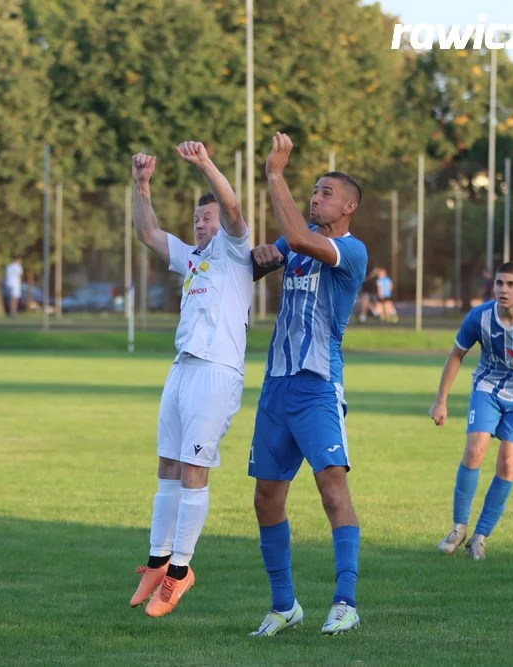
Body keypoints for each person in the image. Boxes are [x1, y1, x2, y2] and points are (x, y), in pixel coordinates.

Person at [248, 133, 368, 637]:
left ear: (348, 206)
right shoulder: (293, 246)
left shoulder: (349, 250)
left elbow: (297, 239)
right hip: (276, 386)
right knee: (266, 498)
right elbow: (261, 258)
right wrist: (243, 249)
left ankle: (345, 601)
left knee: (331, 486)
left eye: (324, 193)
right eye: (313, 191)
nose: (316, 197)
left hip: (318, 386)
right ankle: (284, 606)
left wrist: (276, 175)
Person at [128, 141, 252, 618]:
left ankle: (180, 572)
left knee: (194, 471)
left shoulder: (235, 253)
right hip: (181, 369)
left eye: (209, 218)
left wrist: (203, 165)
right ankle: (158, 562)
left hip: (217, 372)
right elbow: (149, 233)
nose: (202, 224)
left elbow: (235, 207)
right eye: (198, 219)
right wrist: (142, 186)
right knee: (167, 466)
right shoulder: (194, 258)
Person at [429, 261, 513, 560]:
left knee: (507, 465)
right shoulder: (479, 318)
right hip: (487, 389)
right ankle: (458, 527)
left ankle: (480, 536)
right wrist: (441, 400)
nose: (504, 290)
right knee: (475, 450)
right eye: (499, 284)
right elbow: (456, 355)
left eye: (511, 285)